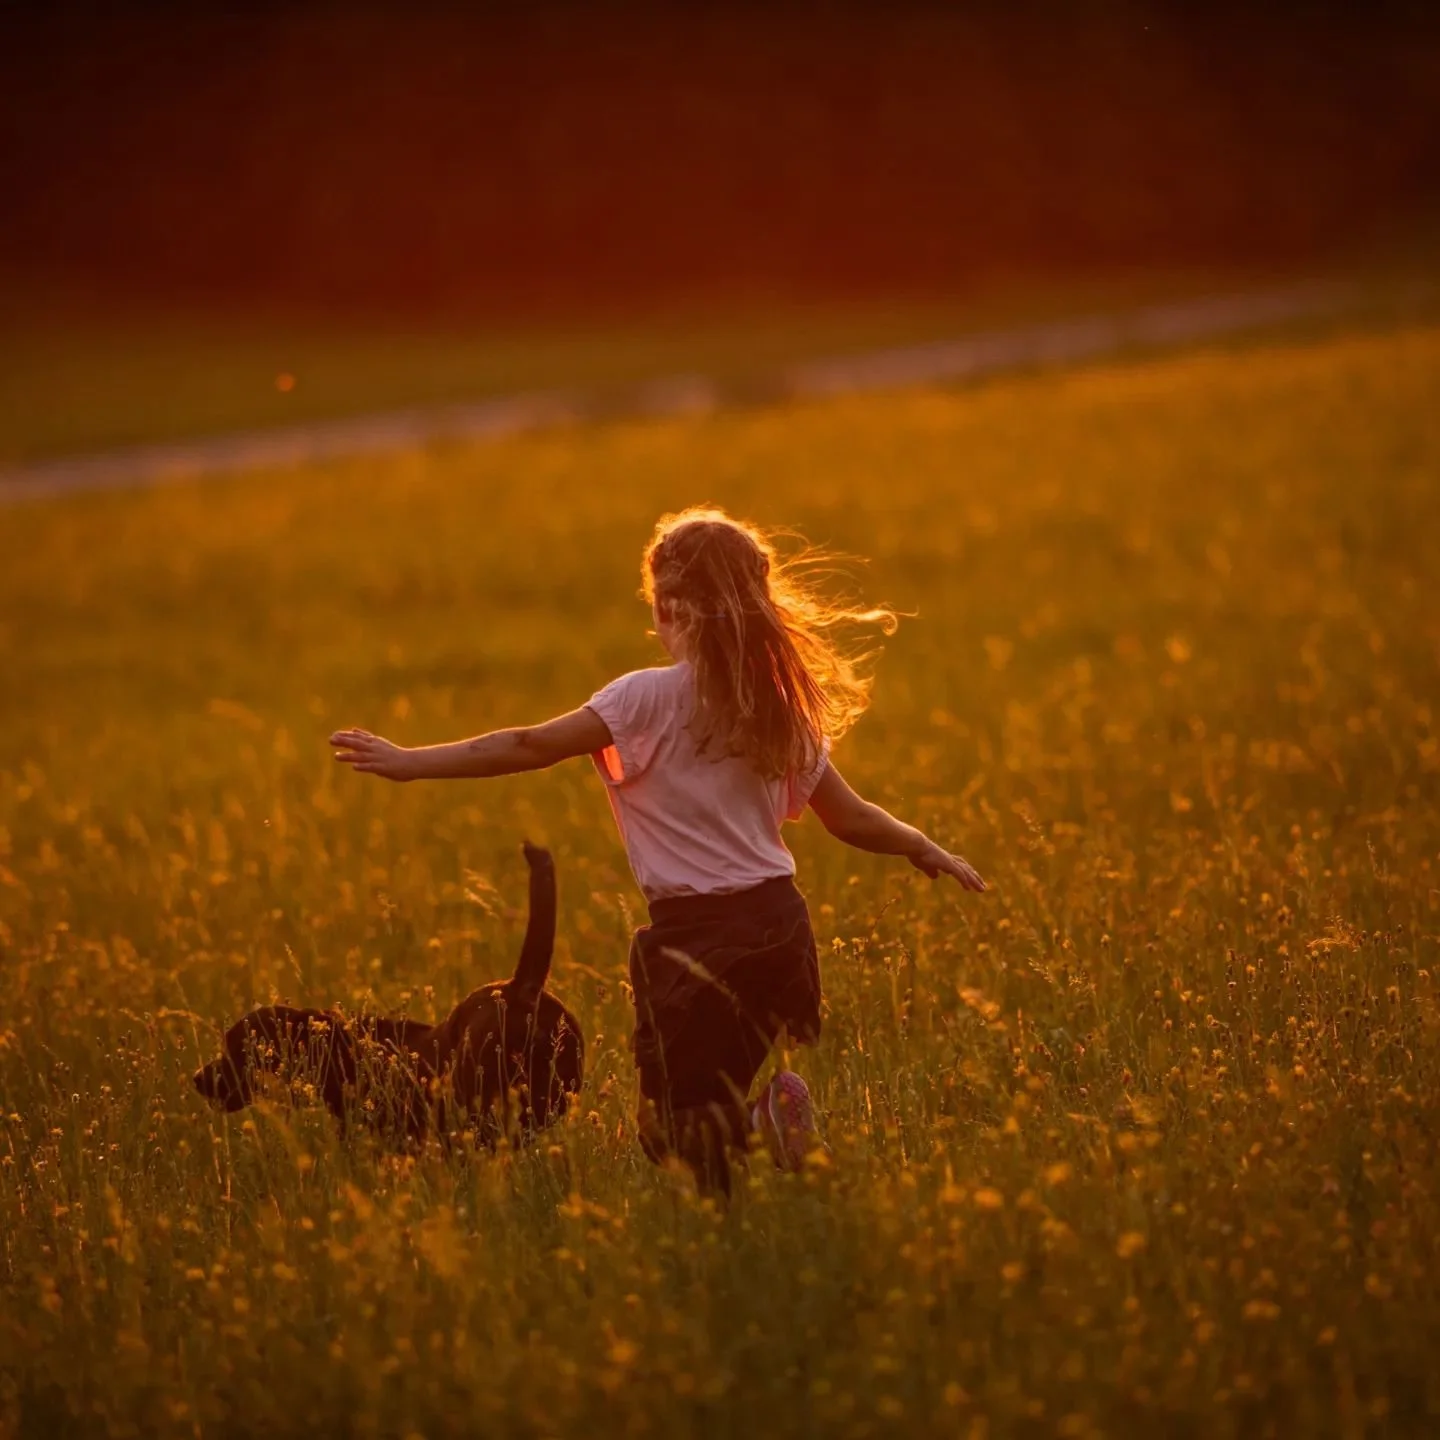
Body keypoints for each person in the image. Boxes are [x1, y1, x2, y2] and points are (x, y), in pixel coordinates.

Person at [329, 506, 986, 1193]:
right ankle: (741, 1208)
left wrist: (410, 761)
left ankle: (768, 1120)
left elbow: (528, 745)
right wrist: (921, 844)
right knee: (704, 1118)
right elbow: (848, 818)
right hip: (782, 936)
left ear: (670, 606)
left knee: (668, 1129)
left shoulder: (642, 699)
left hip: (700, 944)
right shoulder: (773, 705)